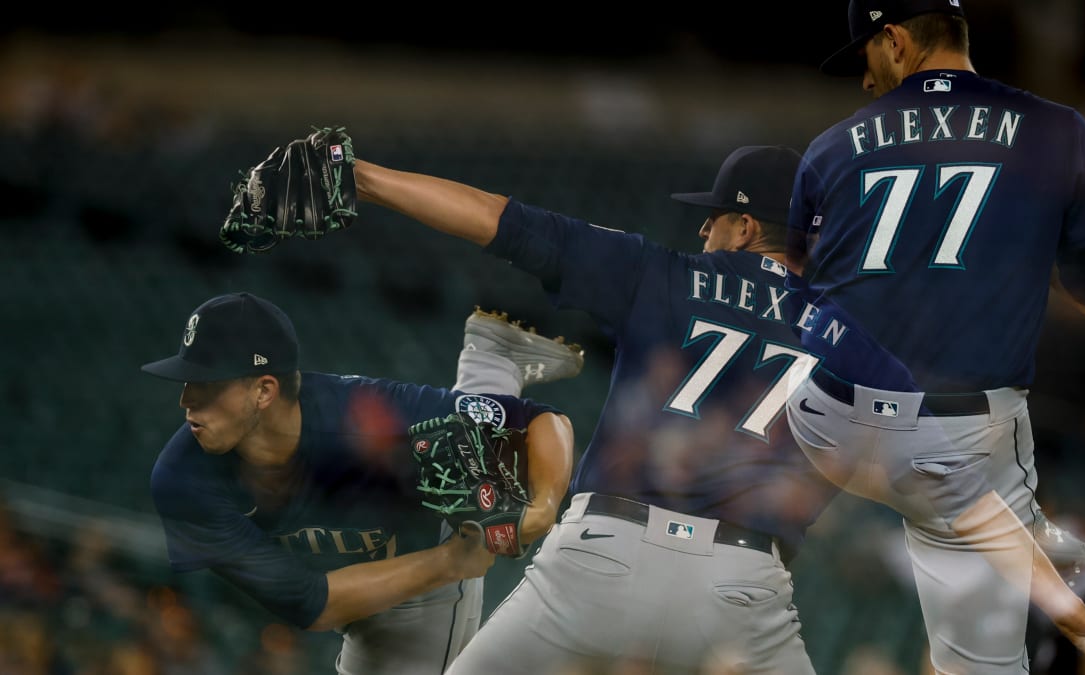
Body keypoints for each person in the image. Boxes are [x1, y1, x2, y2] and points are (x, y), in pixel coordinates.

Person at [346, 145, 842, 673]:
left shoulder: (661, 274)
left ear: (744, 227)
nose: (703, 232)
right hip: (741, 587)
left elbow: (497, 218)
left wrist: (360, 177)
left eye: (712, 218)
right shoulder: (852, 341)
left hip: (603, 555)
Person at [781, 1, 1085, 672]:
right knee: (980, 656)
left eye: (866, 57)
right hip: (958, 442)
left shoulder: (830, 147)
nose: (866, 82)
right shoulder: (1059, 132)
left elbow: (800, 293)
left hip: (827, 421)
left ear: (896, 42)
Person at [142, 291, 577, 674]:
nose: (185, 402)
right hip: (402, 570)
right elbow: (311, 604)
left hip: (419, 566)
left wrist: (542, 509)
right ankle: (491, 360)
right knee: (461, 432)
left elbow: (542, 419)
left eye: (206, 386)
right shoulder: (183, 480)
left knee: (465, 436)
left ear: (264, 390)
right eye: (186, 381)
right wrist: (453, 562)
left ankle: (493, 359)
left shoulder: (365, 417)